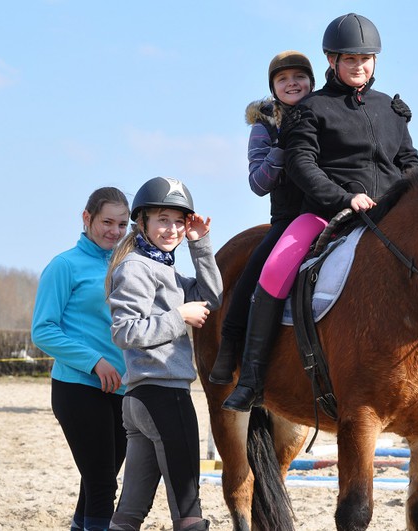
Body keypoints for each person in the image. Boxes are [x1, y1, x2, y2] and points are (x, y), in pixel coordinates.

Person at [224, 13, 418, 413]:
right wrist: (344, 198)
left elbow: (408, 161)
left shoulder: (391, 109)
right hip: (325, 214)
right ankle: (251, 377)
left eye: (366, 59)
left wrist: (407, 201)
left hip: (391, 214)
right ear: (332, 61)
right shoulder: (310, 109)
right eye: (350, 59)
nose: (359, 66)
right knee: (274, 271)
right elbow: (302, 164)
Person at [106, 176, 222, 531]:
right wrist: (179, 317)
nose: (171, 229)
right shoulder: (136, 268)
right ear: (142, 222)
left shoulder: (166, 269)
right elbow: (125, 331)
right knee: (188, 508)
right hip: (162, 396)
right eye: (162, 220)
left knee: (130, 510)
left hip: (144, 399)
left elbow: (212, 297)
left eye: (178, 221)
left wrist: (199, 244)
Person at [208, 50, 314, 385]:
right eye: (283, 79)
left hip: (332, 208)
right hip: (288, 217)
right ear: (273, 87)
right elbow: (257, 183)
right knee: (256, 269)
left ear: (311, 81)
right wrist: (283, 148)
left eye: (298, 77)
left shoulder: (326, 112)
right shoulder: (264, 126)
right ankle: (230, 346)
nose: (292, 83)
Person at [31, 187, 131, 531]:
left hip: (122, 390)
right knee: (103, 483)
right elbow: (43, 330)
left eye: (122, 224)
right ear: (86, 218)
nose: (114, 231)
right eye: (107, 221)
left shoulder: (125, 266)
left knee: (95, 481)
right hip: (78, 388)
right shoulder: (64, 266)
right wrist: (94, 361)